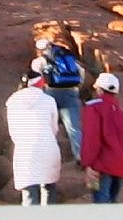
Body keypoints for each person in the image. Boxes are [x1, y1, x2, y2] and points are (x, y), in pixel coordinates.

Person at [6, 71, 62, 206]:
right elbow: (54, 127)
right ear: (40, 83)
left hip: (25, 150)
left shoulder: (12, 101)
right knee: (49, 188)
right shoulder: (49, 100)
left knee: (29, 192)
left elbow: (13, 131)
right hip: (48, 148)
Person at [81, 73, 123, 202]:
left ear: (98, 89)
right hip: (120, 165)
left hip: (100, 166)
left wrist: (88, 164)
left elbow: (91, 139)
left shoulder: (93, 107)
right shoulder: (119, 111)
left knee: (101, 206)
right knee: (112, 204)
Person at [35, 35, 86, 160]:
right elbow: (81, 72)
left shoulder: (39, 61)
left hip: (50, 93)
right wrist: (77, 88)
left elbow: (36, 78)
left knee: (46, 125)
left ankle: (46, 158)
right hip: (70, 92)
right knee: (74, 127)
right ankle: (81, 156)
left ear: (39, 50)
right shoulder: (65, 58)